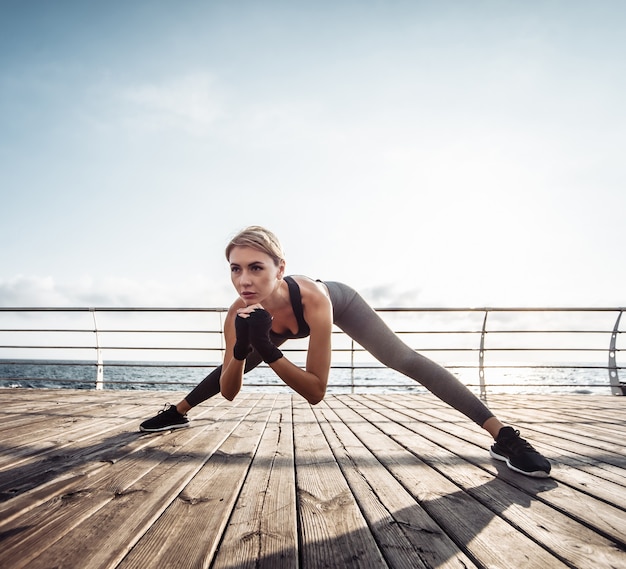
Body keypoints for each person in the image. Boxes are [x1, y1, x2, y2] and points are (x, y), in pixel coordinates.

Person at [140, 226, 551, 478]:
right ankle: (177, 412)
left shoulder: (315, 299)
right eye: (235, 268)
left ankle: (504, 436)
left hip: (342, 301)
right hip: (269, 326)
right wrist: (244, 346)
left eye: (256, 267)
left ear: (279, 268)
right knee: (232, 360)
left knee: (404, 360)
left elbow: (317, 391)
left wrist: (265, 347)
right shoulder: (238, 312)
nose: (244, 280)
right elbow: (230, 391)